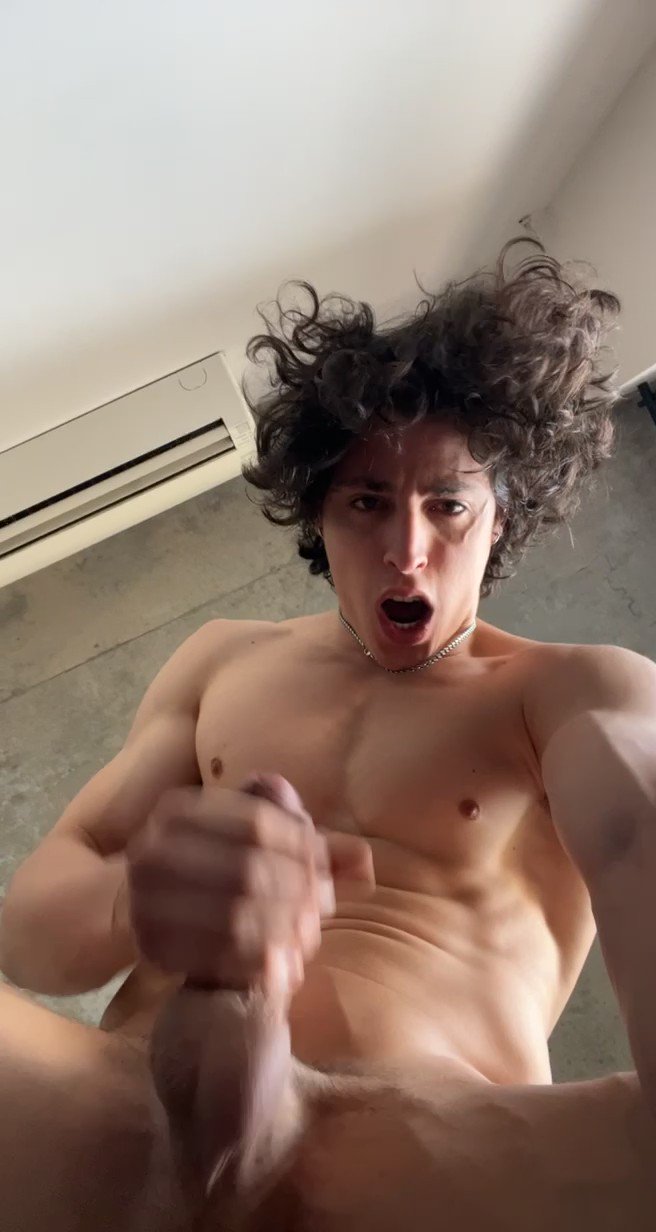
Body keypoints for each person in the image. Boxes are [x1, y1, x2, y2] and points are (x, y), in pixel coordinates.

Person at [1, 239, 656, 1231]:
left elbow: (636, 834)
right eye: (367, 502)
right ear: (318, 513)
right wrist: (141, 899)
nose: (407, 549)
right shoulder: (221, 660)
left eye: (448, 504)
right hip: (128, 1112)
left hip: (414, 1153)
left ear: (500, 516)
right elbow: (32, 944)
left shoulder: (570, 690)